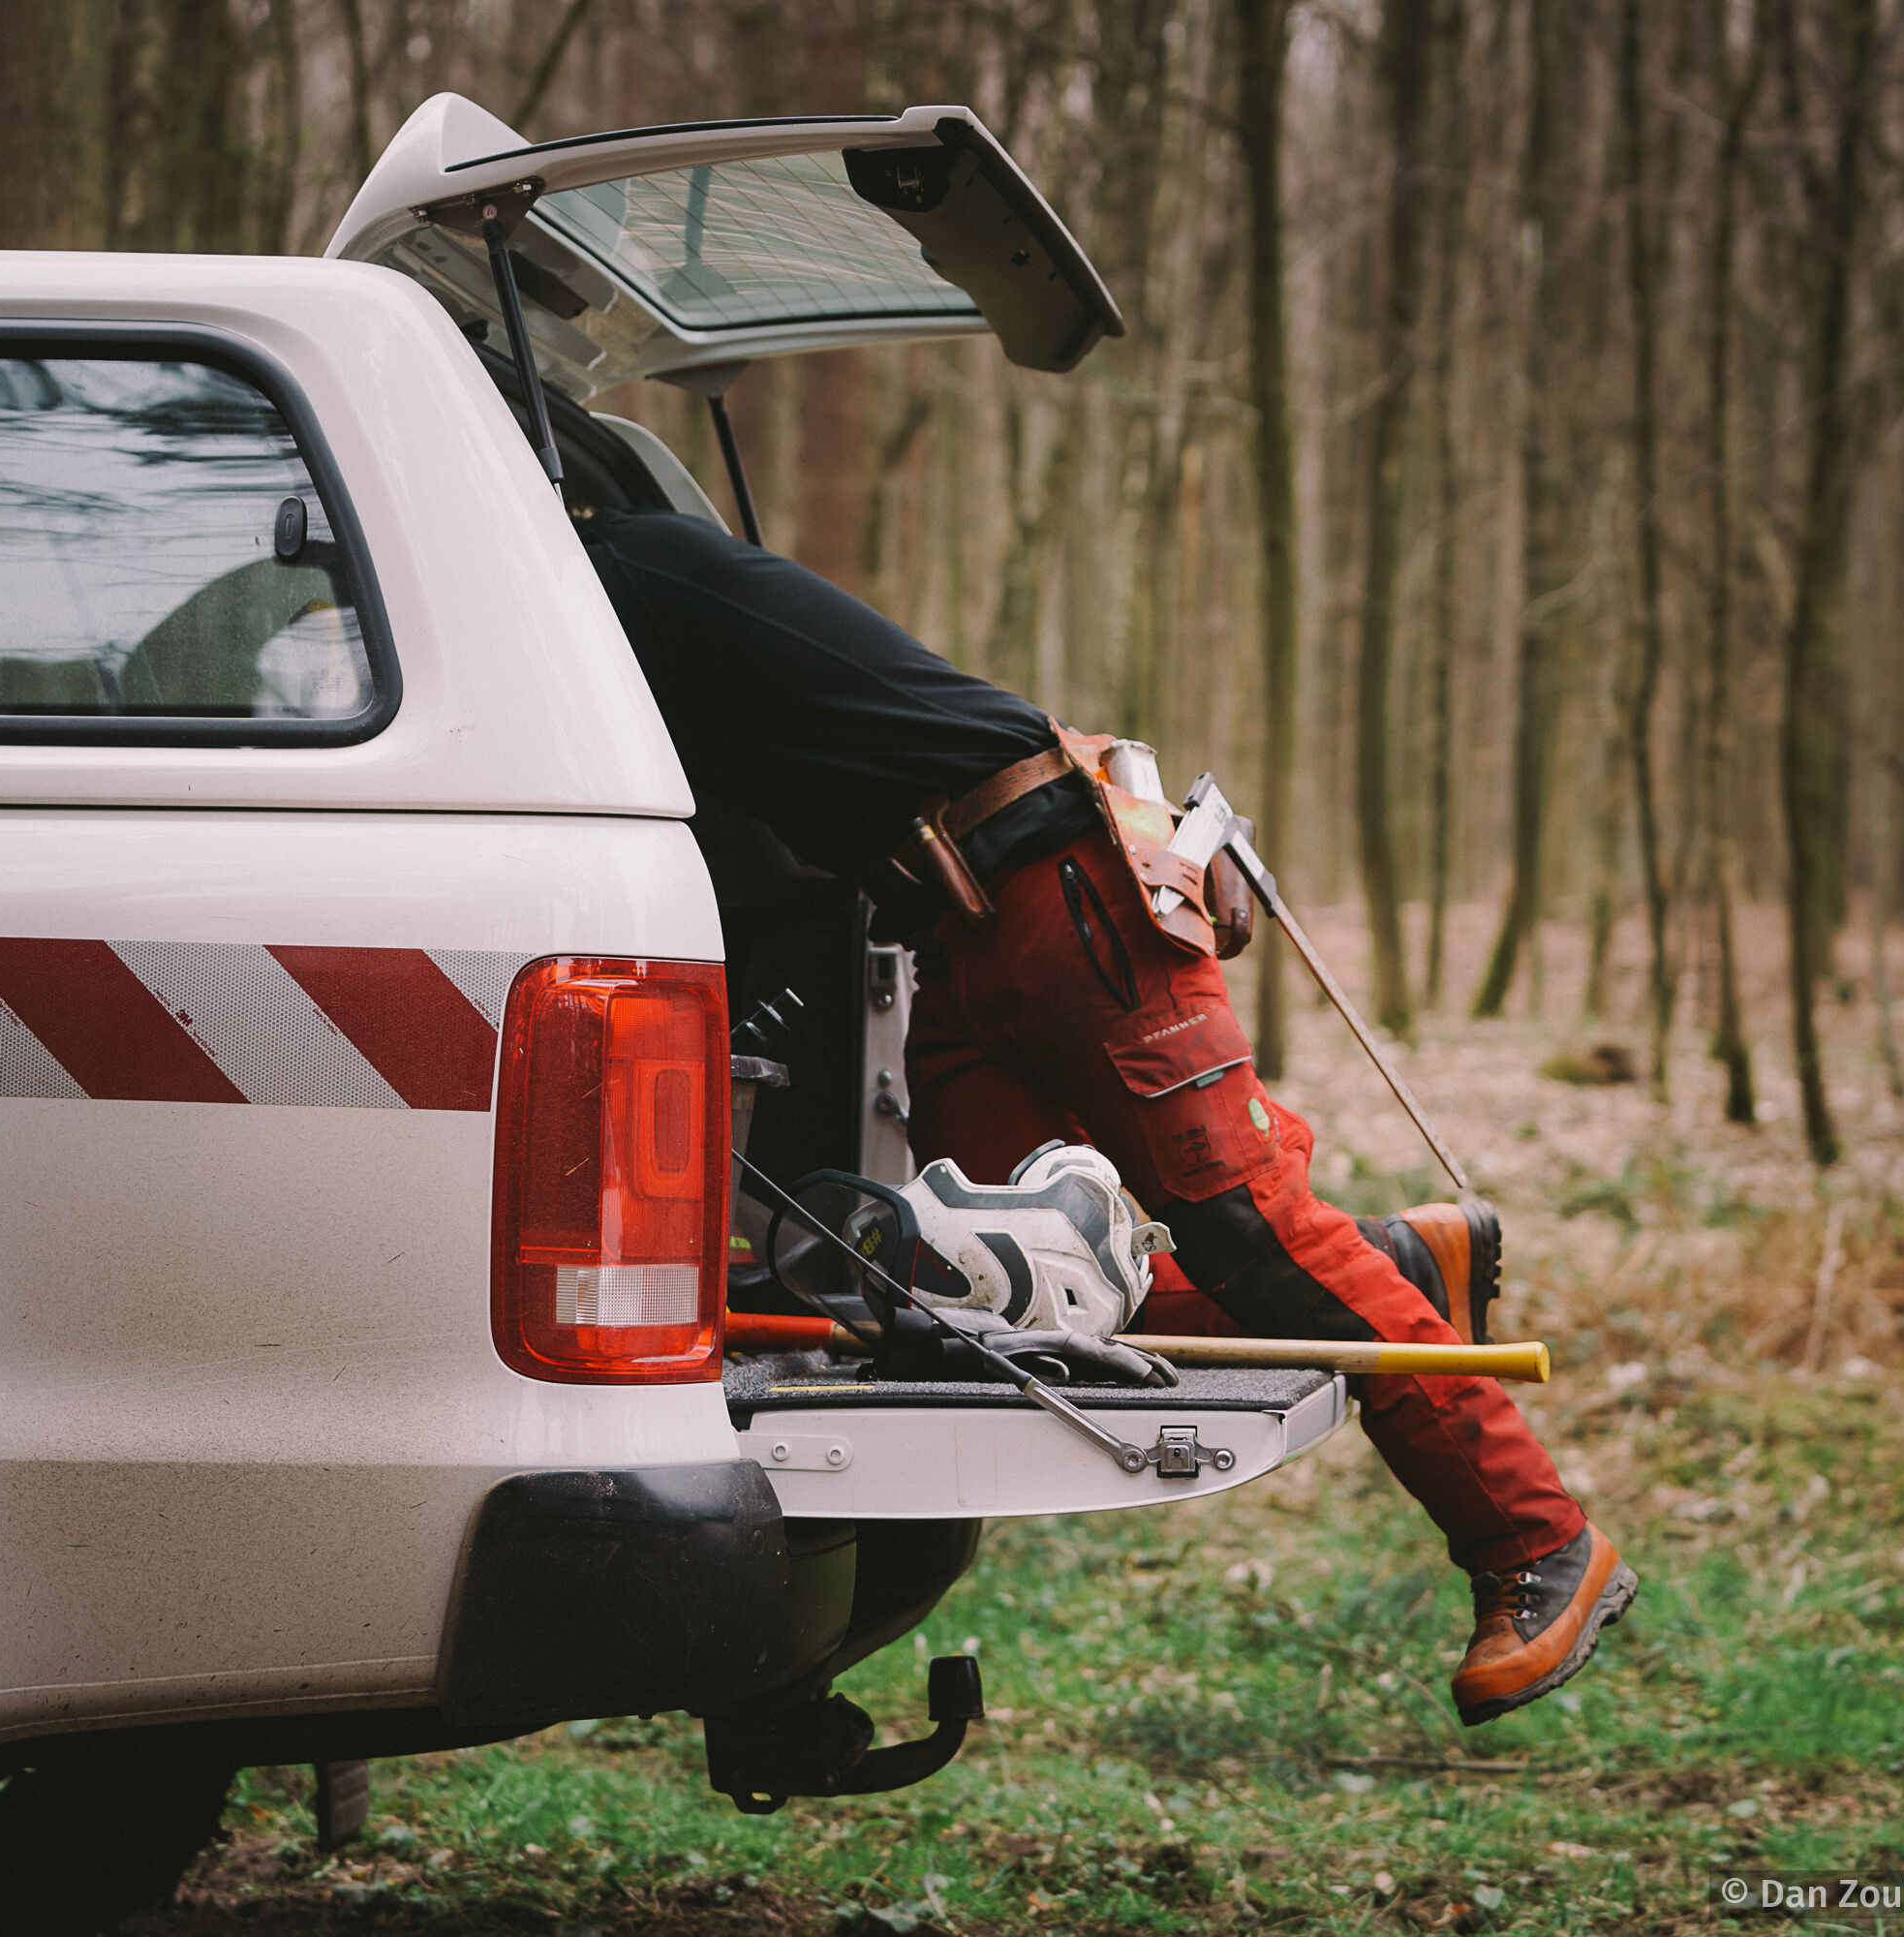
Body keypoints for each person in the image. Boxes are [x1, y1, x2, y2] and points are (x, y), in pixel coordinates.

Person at [577, 499, 1636, 1725]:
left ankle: (1535, 1540)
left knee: (1254, 1234)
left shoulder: (619, 570)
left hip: (1062, 882)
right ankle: (1394, 1264)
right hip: (952, 933)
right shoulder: (604, 589)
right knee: (1007, 1293)